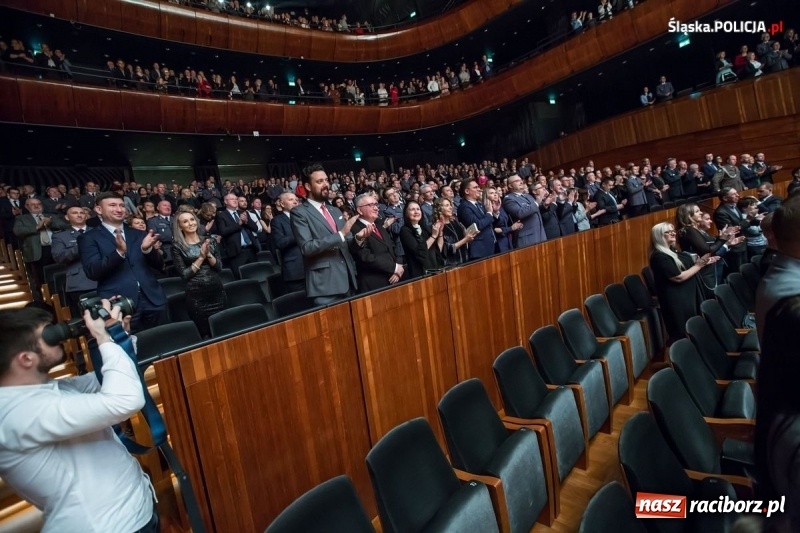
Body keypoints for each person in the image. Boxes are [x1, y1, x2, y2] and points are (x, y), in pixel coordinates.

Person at [0, 301, 158, 533]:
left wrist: (118, 335)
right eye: (49, 334)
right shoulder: (18, 414)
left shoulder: (42, 391)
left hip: (131, 514)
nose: (61, 335)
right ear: (26, 359)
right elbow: (125, 398)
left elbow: (108, 379)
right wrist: (104, 338)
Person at [79, 192, 165, 333]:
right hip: (119, 304)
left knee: (164, 344)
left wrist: (147, 250)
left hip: (153, 299)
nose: (119, 209)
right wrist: (118, 253)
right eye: (112, 205)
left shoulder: (138, 233)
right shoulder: (89, 238)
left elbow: (159, 265)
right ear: (99, 210)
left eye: (121, 205)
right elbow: (93, 271)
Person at [290, 164, 367, 305]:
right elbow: (307, 248)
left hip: (348, 279)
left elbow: (347, 242)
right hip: (325, 285)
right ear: (307, 186)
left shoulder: (335, 210)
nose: (326, 184)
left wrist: (358, 238)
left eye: (326, 180)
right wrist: (340, 234)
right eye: (319, 182)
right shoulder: (299, 212)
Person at [649, 221, 719, 343]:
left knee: (695, 328)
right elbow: (678, 277)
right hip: (678, 300)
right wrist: (699, 265)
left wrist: (703, 262)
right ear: (659, 236)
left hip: (688, 295)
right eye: (668, 232)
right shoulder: (659, 256)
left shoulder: (673, 251)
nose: (672, 233)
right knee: (683, 331)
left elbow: (687, 266)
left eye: (673, 231)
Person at [171, 211, 225, 338]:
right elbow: (184, 275)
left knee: (223, 329)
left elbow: (219, 267)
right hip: (197, 298)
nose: (190, 223)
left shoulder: (210, 241)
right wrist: (201, 257)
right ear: (180, 226)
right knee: (205, 334)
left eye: (192, 219)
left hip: (217, 292)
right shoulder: (177, 246)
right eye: (185, 221)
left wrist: (209, 254)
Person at [676, 203, 742, 298]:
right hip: (703, 271)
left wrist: (721, 238)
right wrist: (723, 239)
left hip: (707, 269)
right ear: (689, 215)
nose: (700, 212)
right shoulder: (689, 230)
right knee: (710, 297)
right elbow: (707, 250)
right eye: (697, 211)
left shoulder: (692, 230)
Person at [348, 193, 403, 292]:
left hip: (394, 278)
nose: (376, 208)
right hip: (374, 283)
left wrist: (398, 268)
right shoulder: (354, 229)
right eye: (371, 205)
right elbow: (364, 256)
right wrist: (394, 267)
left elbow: (393, 247)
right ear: (359, 210)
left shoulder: (379, 226)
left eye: (376, 205)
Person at [50, 204, 97, 316]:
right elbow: (59, 257)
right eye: (75, 213)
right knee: (87, 318)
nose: (79, 215)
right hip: (80, 281)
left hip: (104, 277)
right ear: (67, 217)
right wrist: (81, 247)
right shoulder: (60, 236)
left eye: (82, 213)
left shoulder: (98, 231)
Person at [13, 197, 54, 299]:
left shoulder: (50, 216)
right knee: (41, 280)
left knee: (57, 276)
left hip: (55, 249)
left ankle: (59, 299)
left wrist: (52, 223)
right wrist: (37, 227)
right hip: (37, 251)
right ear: (27, 207)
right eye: (33, 204)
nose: (36, 206)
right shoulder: (21, 218)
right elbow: (18, 231)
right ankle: (45, 300)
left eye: (39, 203)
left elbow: (65, 225)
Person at [215, 193, 259, 277]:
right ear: (225, 201)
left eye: (236, 199)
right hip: (236, 252)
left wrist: (246, 221)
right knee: (241, 278)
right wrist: (239, 224)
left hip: (251, 250)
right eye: (232, 199)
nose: (235, 200)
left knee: (256, 275)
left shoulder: (242, 213)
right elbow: (223, 232)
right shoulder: (221, 215)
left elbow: (255, 228)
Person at [271, 192, 305, 294]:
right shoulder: (277, 221)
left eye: (296, 200)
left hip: (313, 268)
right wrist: (300, 234)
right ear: (282, 204)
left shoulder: (305, 218)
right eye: (291, 200)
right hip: (295, 270)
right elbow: (280, 243)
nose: (295, 202)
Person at [399, 201, 444, 279]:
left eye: (418, 209)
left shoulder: (426, 228)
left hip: (435, 270)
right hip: (420, 273)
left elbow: (438, 249)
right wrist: (433, 236)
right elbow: (420, 253)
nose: (416, 212)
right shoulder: (405, 231)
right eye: (412, 209)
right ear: (406, 213)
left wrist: (440, 233)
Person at [502, 174, 545, 248]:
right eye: (517, 181)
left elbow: (535, 210)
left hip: (540, 233)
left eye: (521, 180)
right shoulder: (508, 199)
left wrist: (545, 204)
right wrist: (537, 202)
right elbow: (520, 213)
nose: (521, 182)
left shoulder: (527, 196)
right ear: (510, 186)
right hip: (527, 238)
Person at [457, 178, 495, 260]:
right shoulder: (464, 207)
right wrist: (489, 213)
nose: (479, 189)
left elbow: (489, 222)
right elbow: (477, 225)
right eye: (475, 187)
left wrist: (495, 212)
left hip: (488, 245)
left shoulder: (479, 204)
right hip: (478, 249)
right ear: (467, 191)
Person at [436, 197, 474, 266]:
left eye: (450, 205)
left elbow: (463, 239)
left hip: (465, 260)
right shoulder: (438, 226)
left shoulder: (455, 222)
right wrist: (465, 240)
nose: (450, 207)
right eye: (447, 205)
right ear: (439, 209)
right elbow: (446, 249)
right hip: (451, 265)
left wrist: (469, 236)